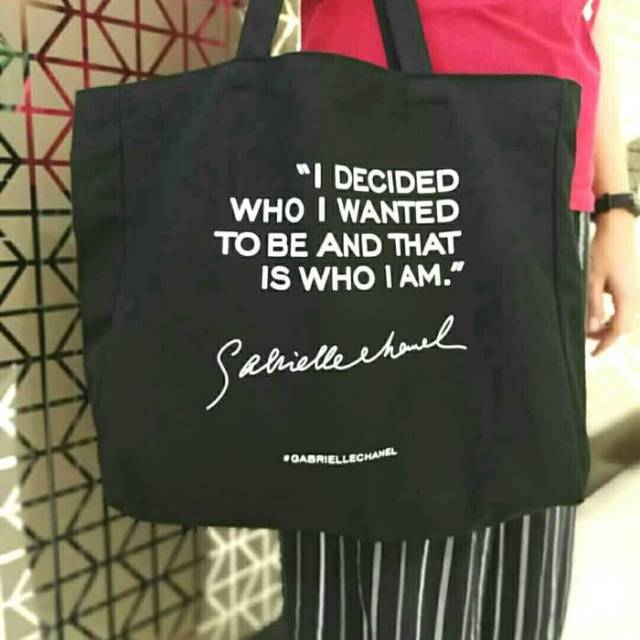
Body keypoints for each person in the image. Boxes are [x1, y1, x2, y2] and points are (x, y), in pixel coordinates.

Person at [276, 0, 640, 638]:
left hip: (549, 189)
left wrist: (614, 205)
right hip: (382, 190)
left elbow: (590, 19)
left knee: (524, 540)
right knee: (392, 545)